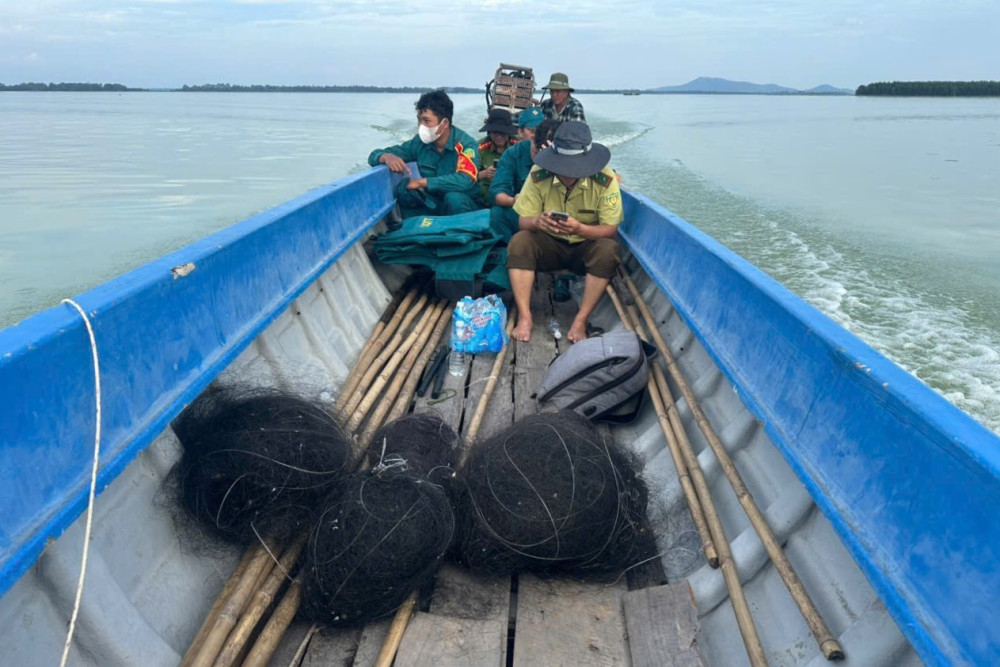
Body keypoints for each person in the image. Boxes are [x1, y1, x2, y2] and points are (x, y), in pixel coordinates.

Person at [507, 121, 622, 343]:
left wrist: (581, 228)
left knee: (608, 251)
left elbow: (610, 229)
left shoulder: (605, 180)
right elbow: (523, 222)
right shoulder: (538, 174)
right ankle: (525, 317)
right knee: (519, 242)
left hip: (586, 247)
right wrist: (538, 222)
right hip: (549, 245)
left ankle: (580, 320)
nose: (568, 175)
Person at [368, 89, 480, 218]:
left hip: (464, 205)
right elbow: (374, 155)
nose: (421, 126)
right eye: (419, 120)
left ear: (444, 123)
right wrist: (385, 157)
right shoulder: (419, 143)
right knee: (405, 191)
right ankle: (414, 232)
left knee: (453, 198)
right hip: (434, 202)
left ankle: (458, 235)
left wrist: (422, 182)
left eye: (426, 121)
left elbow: (465, 180)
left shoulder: (466, 145)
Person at [488, 117, 559, 242]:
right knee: (497, 214)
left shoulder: (565, 156)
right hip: (522, 210)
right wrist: (513, 200)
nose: (541, 160)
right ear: (532, 138)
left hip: (555, 212)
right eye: (538, 153)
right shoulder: (513, 154)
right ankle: (507, 252)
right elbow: (497, 192)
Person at [476, 108, 519, 204]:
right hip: (485, 197)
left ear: (509, 132)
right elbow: (466, 177)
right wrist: (484, 174)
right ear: (490, 132)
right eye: (495, 132)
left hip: (512, 195)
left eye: (502, 132)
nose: (499, 136)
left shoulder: (518, 146)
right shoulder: (479, 147)